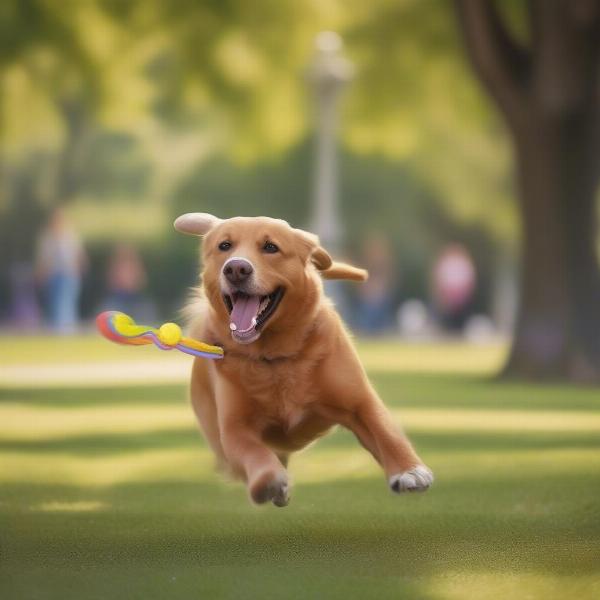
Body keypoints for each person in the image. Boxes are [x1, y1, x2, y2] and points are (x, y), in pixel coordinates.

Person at [35, 207, 87, 333]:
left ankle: (65, 331)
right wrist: (41, 274)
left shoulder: (70, 236)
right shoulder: (47, 238)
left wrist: (79, 270)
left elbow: (79, 255)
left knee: (65, 303)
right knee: (54, 303)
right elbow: (44, 259)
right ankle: (57, 330)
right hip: (53, 275)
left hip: (69, 274)